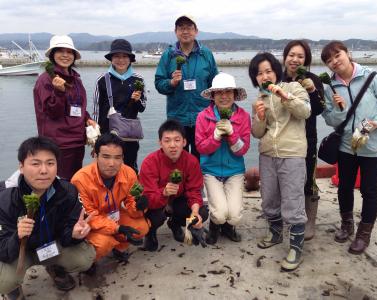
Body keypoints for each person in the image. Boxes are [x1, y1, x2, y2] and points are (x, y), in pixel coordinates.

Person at [320, 41, 377, 254]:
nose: (334, 62)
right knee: (344, 187)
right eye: (329, 60)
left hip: (374, 146)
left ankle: (364, 234)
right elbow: (330, 119)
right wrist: (337, 109)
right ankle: (347, 224)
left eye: (337, 56)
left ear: (347, 53)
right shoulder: (330, 87)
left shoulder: (374, 78)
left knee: (369, 190)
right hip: (347, 146)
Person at [0, 137, 95, 298]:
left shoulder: (68, 191)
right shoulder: (5, 198)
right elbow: (2, 250)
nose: (44, 170)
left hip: (50, 246)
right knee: (4, 281)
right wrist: (17, 236)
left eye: (50, 163)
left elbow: (68, 230)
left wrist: (73, 234)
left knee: (85, 258)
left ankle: (53, 266)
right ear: (21, 167)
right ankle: (13, 287)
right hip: (21, 252)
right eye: (35, 164)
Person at [249, 52, 311, 271]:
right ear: (254, 78)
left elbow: (305, 111)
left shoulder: (294, 88)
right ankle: (275, 233)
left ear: (276, 71)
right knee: (269, 199)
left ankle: (296, 247)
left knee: (293, 200)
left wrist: (284, 95)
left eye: (268, 71)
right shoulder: (259, 100)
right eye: (259, 73)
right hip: (267, 154)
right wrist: (259, 116)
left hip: (292, 153)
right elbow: (256, 133)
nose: (264, 76)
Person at [71, 133, 150, 265]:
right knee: (102, 243)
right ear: (95, 156)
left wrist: (139, 206)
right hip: (92, 223)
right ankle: (90, 261)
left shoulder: (129, 172)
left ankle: (118, 248)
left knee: (141, 227)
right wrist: (117, 229)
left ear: (123, 158)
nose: (112, 163)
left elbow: (131, 202)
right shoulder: (80, 180)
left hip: (114, 214)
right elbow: (89, 216)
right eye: (106, 157)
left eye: (117, 157)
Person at [195, 72, 251, 244]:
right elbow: (201, 148)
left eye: (228, 92)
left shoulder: (243, 117)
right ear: (212, 96)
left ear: (235, 94)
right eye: (219, 92)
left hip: (234, 171)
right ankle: (215, 225)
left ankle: (229, 227)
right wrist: (216, 137)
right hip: (211, 171)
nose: (224, 96)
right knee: (219, 214)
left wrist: (232, 134)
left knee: (234, 216)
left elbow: (242, 151)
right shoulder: (203, 117)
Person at [154, 15, 218, 160]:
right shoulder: (168, 55)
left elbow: (215, 85)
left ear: (196, 31)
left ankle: (199, 183)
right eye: (181, 28)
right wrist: (171, 83)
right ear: (175, 32)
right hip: (177, 118)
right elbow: (158, 83)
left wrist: (216, 113)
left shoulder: (206, 54)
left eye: (189, 28)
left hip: (203, 118)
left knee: (201, 159)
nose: (185, 31)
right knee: (178, 160)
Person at [33, 35, 97, 181]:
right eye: (60, 51)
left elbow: (78, 107)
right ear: (52, 54)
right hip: (57, 144)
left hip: (77, 141)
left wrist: (88, 119)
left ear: (74, 56)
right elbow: (52, 112)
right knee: (58, 184)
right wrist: (58, 91)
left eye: (69, 52)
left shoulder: (76, 79)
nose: (65, 55)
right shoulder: (45, 80)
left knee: (74, 182)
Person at [139, 120, 208, 251]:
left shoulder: (191, 161)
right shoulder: (150, 162)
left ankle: (175, 223)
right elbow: (147, 196)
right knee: (154, 216)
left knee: (202, 212)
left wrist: (195, 213)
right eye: (167, 140)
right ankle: (150, 233)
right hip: (157, 202)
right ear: (160, 143)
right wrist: (164, 193)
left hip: (178, 200)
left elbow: (194, 191)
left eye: (177, 140)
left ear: (184, 142)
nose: (172, 145)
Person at [282, 40, 325, 240]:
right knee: (285, 178)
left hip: (307, 137)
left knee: (309, 178)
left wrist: (312, 91)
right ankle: (286, 215)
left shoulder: (313, 79)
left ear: (306, 60)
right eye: (291, 55)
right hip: (283, 137)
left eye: (300, 56)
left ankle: (310, 221)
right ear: (285, 57)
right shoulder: (277, 78)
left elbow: (318, 110)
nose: (295, 60)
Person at [93, 39, 147, 172]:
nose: (121, 60)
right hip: (107, 134)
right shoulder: (102, 80)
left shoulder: (138, 79)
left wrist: (138, 99)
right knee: (107, 170)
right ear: (111, 58)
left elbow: (143, 107)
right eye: (117, 56)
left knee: (130, 169)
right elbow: (96, 111)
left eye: (124, 56)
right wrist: (96, 139)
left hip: (130, 135)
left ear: (130, 59)